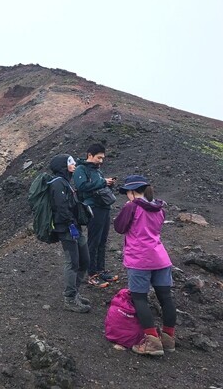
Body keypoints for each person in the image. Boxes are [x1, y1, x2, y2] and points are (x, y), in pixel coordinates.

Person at [113, 175, 176, 356]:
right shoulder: (159, 207)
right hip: (161, 258)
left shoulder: (132, 207)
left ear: (133, 192)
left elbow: (119, 227)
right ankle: (168, 338)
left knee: (140, 298)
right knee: (166, 298)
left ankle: (152, 341)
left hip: (139, 259)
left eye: (127, 193)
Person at [49, 154, 91, 313]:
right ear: (62, 166)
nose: (73, 164)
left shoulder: (65, 182)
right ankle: (70, 298)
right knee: (72, 262)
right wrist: (71, 224)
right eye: (70, 162)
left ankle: (75, 292)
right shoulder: (58, 183)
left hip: (74, 227)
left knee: (84, 260)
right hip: (66, 229)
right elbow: (61, 207)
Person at [74, 143, 118, 287]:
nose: (101, 161)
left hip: (104, 207)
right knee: (93, 241)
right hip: (93, 208)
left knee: (102, 240)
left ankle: (101, 270)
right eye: (98, 158)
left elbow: (98, 185)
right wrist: (102, 182)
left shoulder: (97, 170)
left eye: (102, 158)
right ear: (89, 155)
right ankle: (91, 274)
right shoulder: (81, 169)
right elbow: (81, 186)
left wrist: (108, 184)